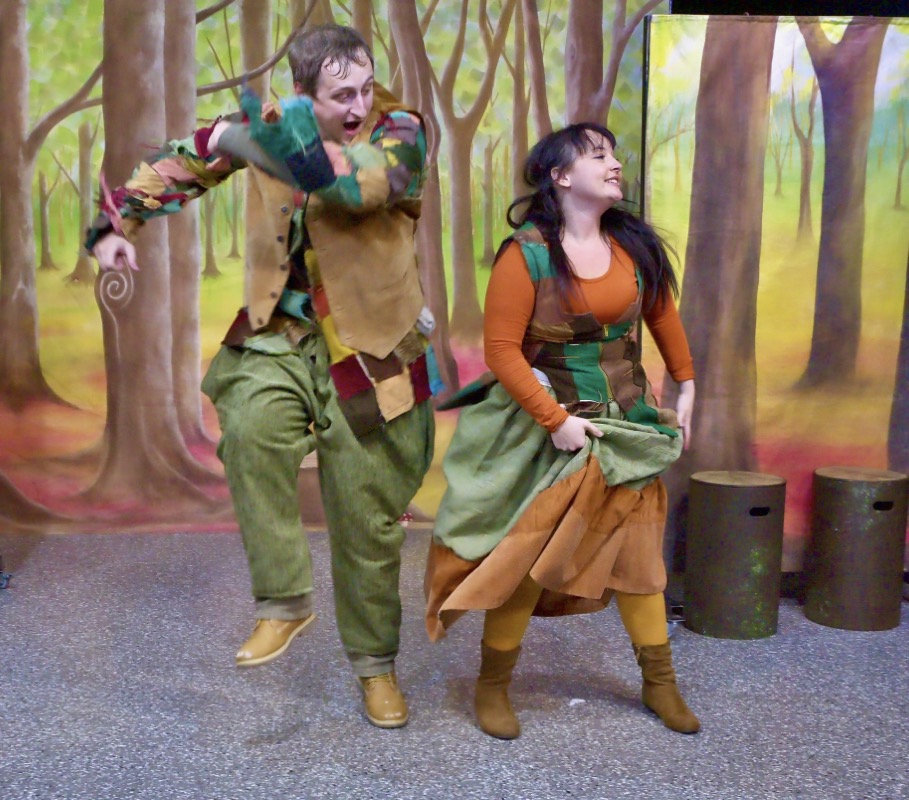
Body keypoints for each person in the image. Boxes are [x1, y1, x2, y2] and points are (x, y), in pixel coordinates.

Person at [86, 24, 435, 729]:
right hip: (280, 332)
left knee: (366, 521)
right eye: (340, 95)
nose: (358, 105)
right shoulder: (268, 124)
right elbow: (185, 160)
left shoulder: (400, 128)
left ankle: (375, 667)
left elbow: (365, 186)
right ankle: (284, 602)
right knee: (247, 428)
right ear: (301, 93)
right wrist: (114, 224)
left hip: (371, 349)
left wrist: (264, 147)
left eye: (365, 88)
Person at [424, 122, 699, 738]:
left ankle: (660, 684)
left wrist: (686, 383)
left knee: (641, 562)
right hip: (554, 435)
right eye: (597, 155)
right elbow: (501, 351)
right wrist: (556, 421)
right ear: (561, 176)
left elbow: (662, 317)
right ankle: (492, 685)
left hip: (627, 429)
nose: (614, 164)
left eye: (614, 155)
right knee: (527, 561)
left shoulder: (633, 246)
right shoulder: (527, 254)